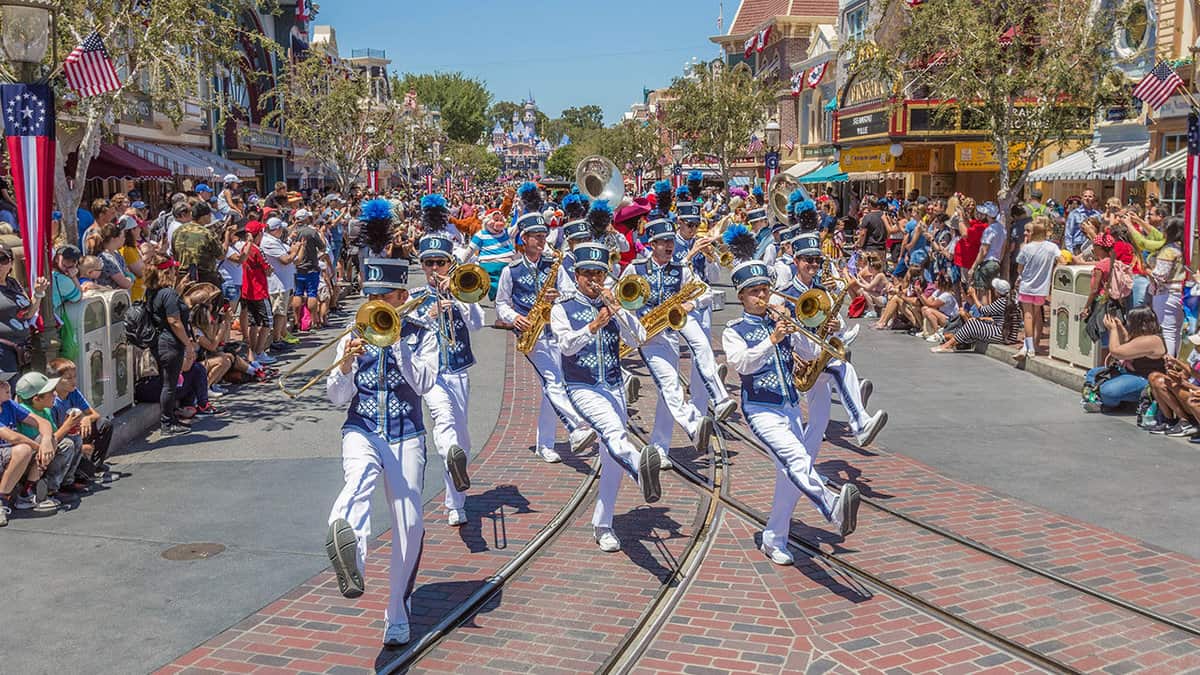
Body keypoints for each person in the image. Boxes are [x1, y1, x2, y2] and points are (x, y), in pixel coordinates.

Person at [324, 256, 437, 647]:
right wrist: (346, 364)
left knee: (409, 523)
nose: (375, 305)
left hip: (407, 432)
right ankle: (351, 550)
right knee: (358, 480)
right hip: (362, 428)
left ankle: (397, 611)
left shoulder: (422, 334)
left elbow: (423, 384)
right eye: (370, 296)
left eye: (383, 296)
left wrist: (400, 343)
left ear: (402, 296)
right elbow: (337, 399)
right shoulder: (352, 336)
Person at [722, 260, 861, 566]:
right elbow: (742, 364)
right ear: (742, 296)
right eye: (755, 291)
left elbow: (812, 354)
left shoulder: (782, 321)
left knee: (790, 476)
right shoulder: (735, 331)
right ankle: (833, 507)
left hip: (790, 407)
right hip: (761, 409)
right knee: (797, 461)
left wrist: (815, 326)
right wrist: (772, 340)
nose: (762, 296)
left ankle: (774, 539)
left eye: (765, 290)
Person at [550, 242, 659, 553]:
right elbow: (567, 346)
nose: (594, 280)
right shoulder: (563, 308)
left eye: (599, 273)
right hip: (582, 387)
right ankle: (642, 469)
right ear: (576, 275)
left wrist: (620, 310)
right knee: (613, 431)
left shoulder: (612, 304)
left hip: (612, 386)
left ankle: (603, 524)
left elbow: (639, 338)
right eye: (587, 274)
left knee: (612, 461)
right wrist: (594, 325)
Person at [495, 210, 595, 463]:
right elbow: (502, 303)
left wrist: (557, 298)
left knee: (551, 387)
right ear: (524, 239)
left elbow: (571, 293)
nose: (542, 241)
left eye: (543, 236)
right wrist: (513, 317)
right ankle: (577, 426)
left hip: (555, 332)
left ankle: (545, 444)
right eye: (536, 237)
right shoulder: (512, 270)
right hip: (532, 334)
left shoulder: (555, 265)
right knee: (554, 380)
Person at [620, 218, 717, 469]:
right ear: (651, 244)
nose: (668, 246)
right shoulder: (636, 268)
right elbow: (621, 300)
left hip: (669, 335)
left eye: (671, 241)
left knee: (666, 392)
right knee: (669, 383)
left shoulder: (681, 269)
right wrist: (635, 325)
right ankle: (693, 424)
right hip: (646, 335)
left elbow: (706, 291)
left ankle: (660, 448)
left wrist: (690, 304)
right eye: (663, 241)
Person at [774, 234, 887, 448]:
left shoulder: (822, 289)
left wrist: (837, 326)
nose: (814, 264)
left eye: (817, 260)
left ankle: (804, 471)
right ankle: (861, 424)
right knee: (841, 367)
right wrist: (790, 353)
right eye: (808, 259)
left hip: (819, 353)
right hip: (804, 361)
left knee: (818, 423)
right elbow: (776, 330)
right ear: (796, 261)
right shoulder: (785, 293)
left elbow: (840, 323)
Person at [409, 229, 483, 527]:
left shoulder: (462, 290)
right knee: (444, 421)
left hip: (458, 371)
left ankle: (456, 495)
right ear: (423, 266)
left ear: (450, 263)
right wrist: (429, 315)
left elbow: (478, 324)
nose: (435, 269)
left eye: (441, 262)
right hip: (432, 374)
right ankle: (450, 461)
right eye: (430, 263)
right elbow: (406, 336)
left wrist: (460, 301)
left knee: (461, 434)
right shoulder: (413, 298)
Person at [671, 200, 736, 422]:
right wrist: (689, 256)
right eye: (689, 225)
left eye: (696, 225)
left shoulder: (701, 245)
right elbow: (672, 273)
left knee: (703, 352)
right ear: (679, 222)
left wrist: (710, 257)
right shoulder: (671, 244)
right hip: (677, 305)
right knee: (675, 356)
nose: (693, 230)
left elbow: (714, 278)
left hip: (701, 303)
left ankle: (700, 407)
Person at [145, 257, 194, 435]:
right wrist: (188, 344)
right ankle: (167, 423)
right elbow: (174, 321)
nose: (176, 273)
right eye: (173, 270)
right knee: (169, 384)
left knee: (169, 383)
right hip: (170, 343)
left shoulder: (153, 292)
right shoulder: (167, 293)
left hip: (160, 342)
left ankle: (171, 419)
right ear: (167, 272)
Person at [1083, 308, 1166, 413]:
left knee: (1108, 391)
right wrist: (1120, 328)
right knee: (1092, 373)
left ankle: (1112, 403)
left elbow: (1116, 352)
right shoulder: (1141, 336)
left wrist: (1112, 330)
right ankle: (1098, 396)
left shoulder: (1151, 340)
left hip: (1145, 378)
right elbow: (1127, 342)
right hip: (1131, 373)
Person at [48, 358, 115, 483]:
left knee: (105, 424)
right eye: (68, 378)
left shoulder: (74, 393)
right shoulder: (52, 401)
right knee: (71, 444)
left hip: (76, 433)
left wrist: (87, 419)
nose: (73, 381)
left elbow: (94, 414)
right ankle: (72, 477)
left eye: (74, 377)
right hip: (64, 439)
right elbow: (54, 435)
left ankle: (94, 467)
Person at [0, 373, 57, 514]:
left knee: (51, 440)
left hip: (11, 455)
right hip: (6, 453)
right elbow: (12, 437)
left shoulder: (9, 404)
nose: (7, 385)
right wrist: (39, 447)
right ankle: (2, 501)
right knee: (24, 449)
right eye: (1, 383)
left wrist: (46, 442)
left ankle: (26, 493)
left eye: (6, 381)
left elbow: (42, 422)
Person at [1014, 216, 1065, 361]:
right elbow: (1062, 261)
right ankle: (1033, 345)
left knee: (1028, 316)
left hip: (1027, 286)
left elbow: (1019, 268)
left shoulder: (1026, 248)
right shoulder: (1052, 247)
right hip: (1042, 288)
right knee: (1037, 315)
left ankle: (1029, 347)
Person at [290, 209, 327, 332]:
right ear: (306, 219)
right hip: (311, 267)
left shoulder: (293, 232)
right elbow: (322, 247)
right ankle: (313, 320)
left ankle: (296, 320)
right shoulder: (311, 232)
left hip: (297, 267)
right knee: (312, 293)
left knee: (298, 293)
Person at [173, 202, 224, 287]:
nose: (211, 216)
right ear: (203, 216)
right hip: (205, 279)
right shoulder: (207, 233)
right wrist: (226, 237)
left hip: (183, 279)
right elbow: (221, 256)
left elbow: (174, 254)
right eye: (209, 214)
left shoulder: (178, 231)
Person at [1063, 189, 1100, 256]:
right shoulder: (1074, 214)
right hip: (1077, 247)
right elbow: (1068, 234)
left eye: (1090, 196)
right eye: (1085, 196)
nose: (1087, 198)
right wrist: (1070, 252)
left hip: (1092, 247)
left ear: (1094, 199)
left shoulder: (1098, 215)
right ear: (1082, 198)